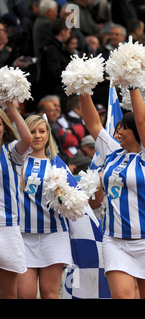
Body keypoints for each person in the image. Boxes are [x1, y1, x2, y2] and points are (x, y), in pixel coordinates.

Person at [79, 87, 145, 299]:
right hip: (115, 240)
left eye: (123, 129)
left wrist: (133, 87)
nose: (117, 132)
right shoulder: (113, 153)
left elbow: (142, 120)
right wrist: (82, 87)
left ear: (138, 132)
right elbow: (94, 123)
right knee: (122, 296)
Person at [17, 115, 76, 299]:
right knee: (24, 294)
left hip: (54, 235)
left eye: (41, 131)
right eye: (32, 131)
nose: (37, 136)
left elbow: (74, 200)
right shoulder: (15, 161)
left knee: (50, 293)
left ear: (48, 134)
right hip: (22, 236)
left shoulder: (57, 163)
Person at [0, 100, 32, 299]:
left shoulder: (11, 151)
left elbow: (27, 138)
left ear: (4, 127)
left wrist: (10, 106)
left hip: (7, 226)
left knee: (8, 292)